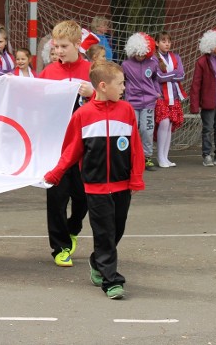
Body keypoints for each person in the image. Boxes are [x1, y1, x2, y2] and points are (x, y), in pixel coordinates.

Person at [44, 60, 145, 300]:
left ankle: (97, 262)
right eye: (120, 83)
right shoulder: (83, 115)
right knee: (104, 233)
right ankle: (112, 281)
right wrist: (56, 173)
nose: (124, 88)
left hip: (122, 186)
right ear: (103, 85)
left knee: (116, 231)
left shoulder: (127, 111)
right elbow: (71, 150)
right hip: (96, 188)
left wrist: (136, 178)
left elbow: (136, 149)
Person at [38, 20, 94, 267]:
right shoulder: (49, 72)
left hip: (86, 147)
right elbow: (34, 100)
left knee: (84, 198)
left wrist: (93, 93)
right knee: (57, 198)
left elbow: (111, 97)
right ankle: (59, 247)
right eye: (56, 46)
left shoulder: (92, 71)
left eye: (64, 46)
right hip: (56, 147)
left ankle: (74, 226)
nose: (58, 51)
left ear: (77, 45)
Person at [189, 29, 216, 167]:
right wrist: (194, 105)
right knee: (207, 129)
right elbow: (196, 84)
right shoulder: (202, 62)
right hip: (208, 102)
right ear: (211, 45)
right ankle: (207, 154)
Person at [122, 32, 161, 171]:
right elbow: (122, 80)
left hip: (149, 101)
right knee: (132, 129)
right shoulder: (126, 65)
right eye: (138, 53)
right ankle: (130, 156)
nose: (140, 56)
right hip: (132, 101)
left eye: (143, 54)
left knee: (147, 129)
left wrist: (157, 92)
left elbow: (156, 78)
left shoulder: (152, 63)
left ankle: (147, 157)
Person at [154, 31, 187, 168]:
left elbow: (182, 75)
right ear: (157, 43)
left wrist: (168, 74)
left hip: (173, 95)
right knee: (164, 122)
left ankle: (165, 156)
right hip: (161, 95)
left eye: (168, 41)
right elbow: (159, 77)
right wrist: (173, 74)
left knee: (169, 125)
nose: (167, 44)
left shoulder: (175, 57)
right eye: (163, 41)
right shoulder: (154, 58)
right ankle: (160, 156)